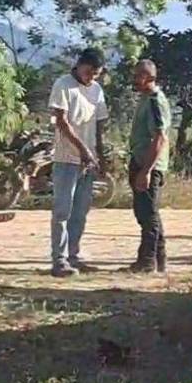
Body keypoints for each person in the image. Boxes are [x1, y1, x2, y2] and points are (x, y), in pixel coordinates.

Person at [48, 47, 109, 277]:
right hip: (67, 159)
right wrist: (81, 149)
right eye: (89, 71)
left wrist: (100, 156)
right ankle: (59, 259)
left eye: (96, 73)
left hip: (88, 161)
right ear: (79, 64)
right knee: (62, 210)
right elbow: (61, 122)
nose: (91, 76)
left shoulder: (96, 90)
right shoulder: (63, 85)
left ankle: (74, 255)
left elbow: (100, 125)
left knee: (80, 211)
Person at [123, 59, 171, 274]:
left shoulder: (154, 101)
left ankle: (148, 261)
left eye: (139, 76)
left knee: (147, 214)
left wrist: (146, 171)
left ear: (150, 78)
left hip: (149, 165)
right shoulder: (144, 99)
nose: (135, 80)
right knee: (146, 212)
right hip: (140, 161)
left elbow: (159, 138)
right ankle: (158, 259)